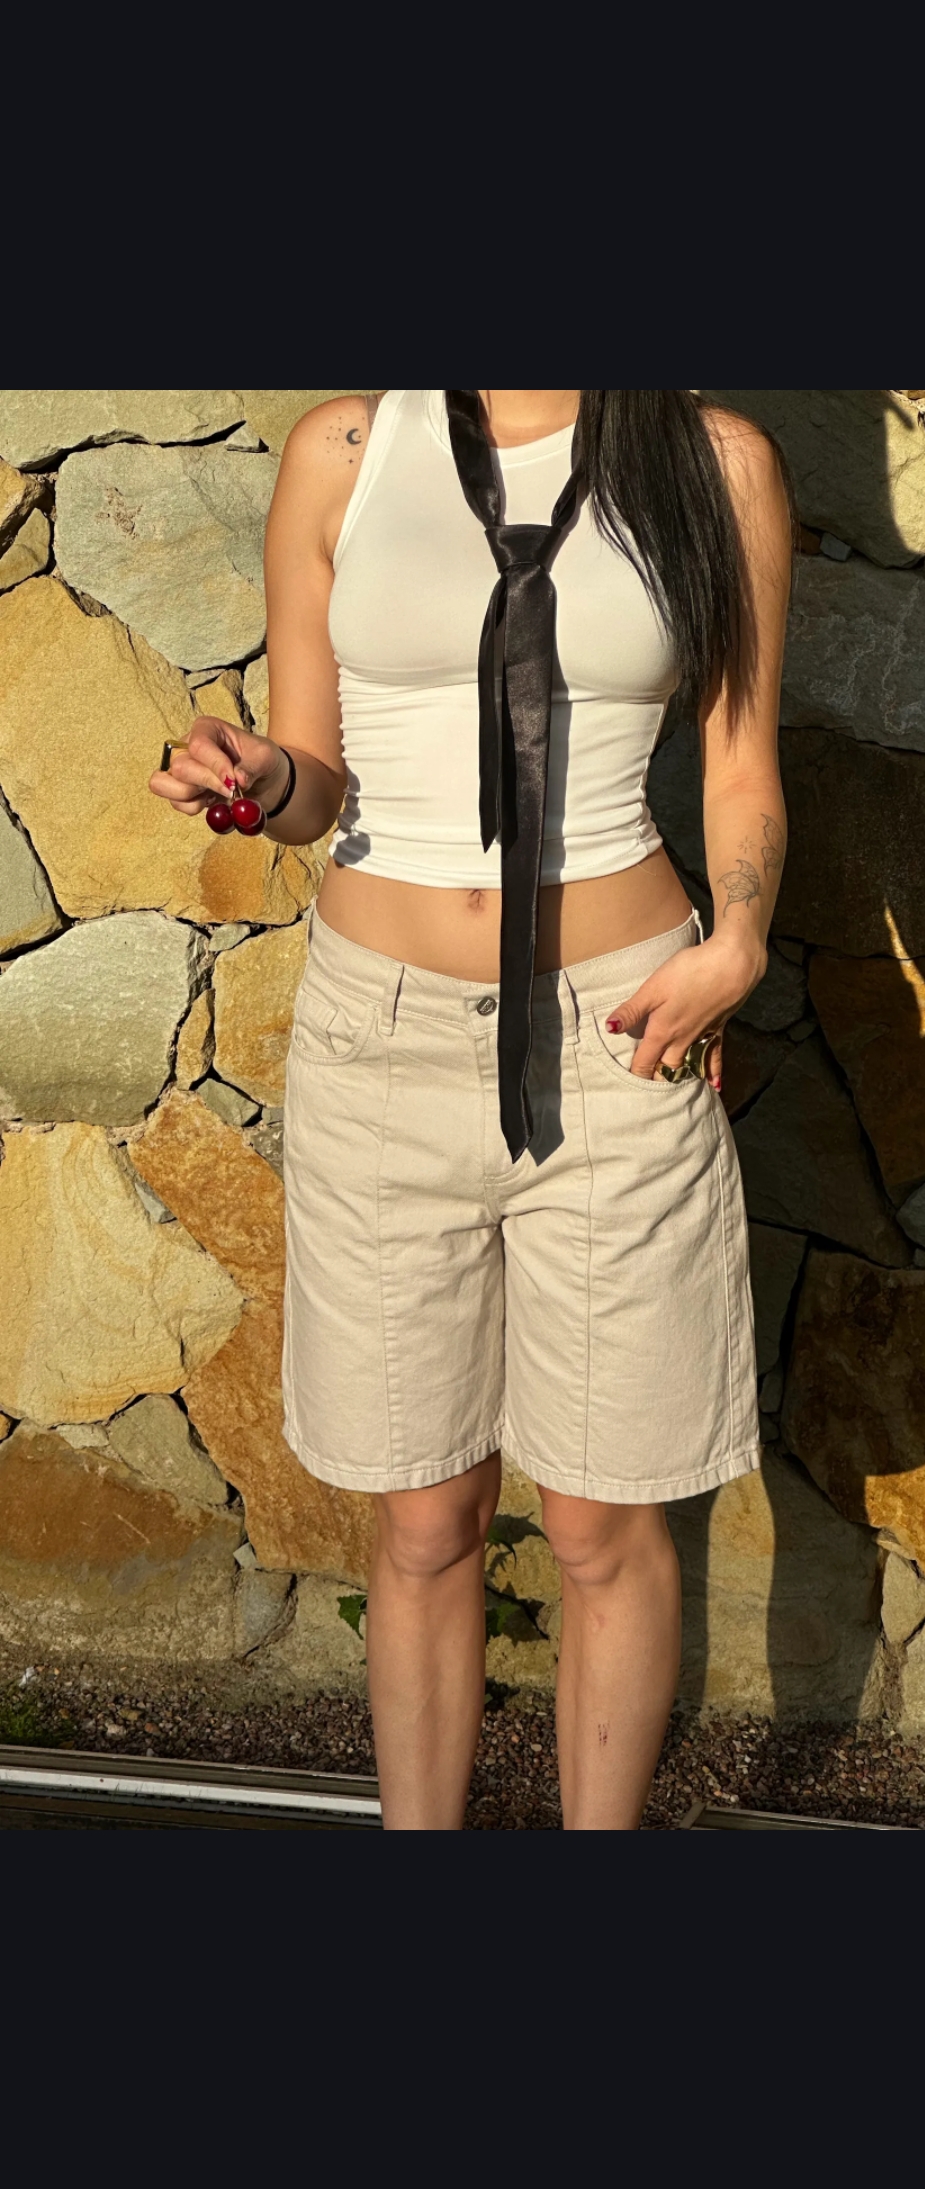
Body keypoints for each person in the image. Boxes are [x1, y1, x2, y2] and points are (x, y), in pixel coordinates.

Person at [150, 388, 793, 1831]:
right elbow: (315, 778)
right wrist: (257, 778)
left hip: (623, 1034)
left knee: (602, 1522)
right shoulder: (346, 454)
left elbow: (742, 763)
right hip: (381, 1047)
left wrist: (740, 938)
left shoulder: (716, 465)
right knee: (427, 1519)